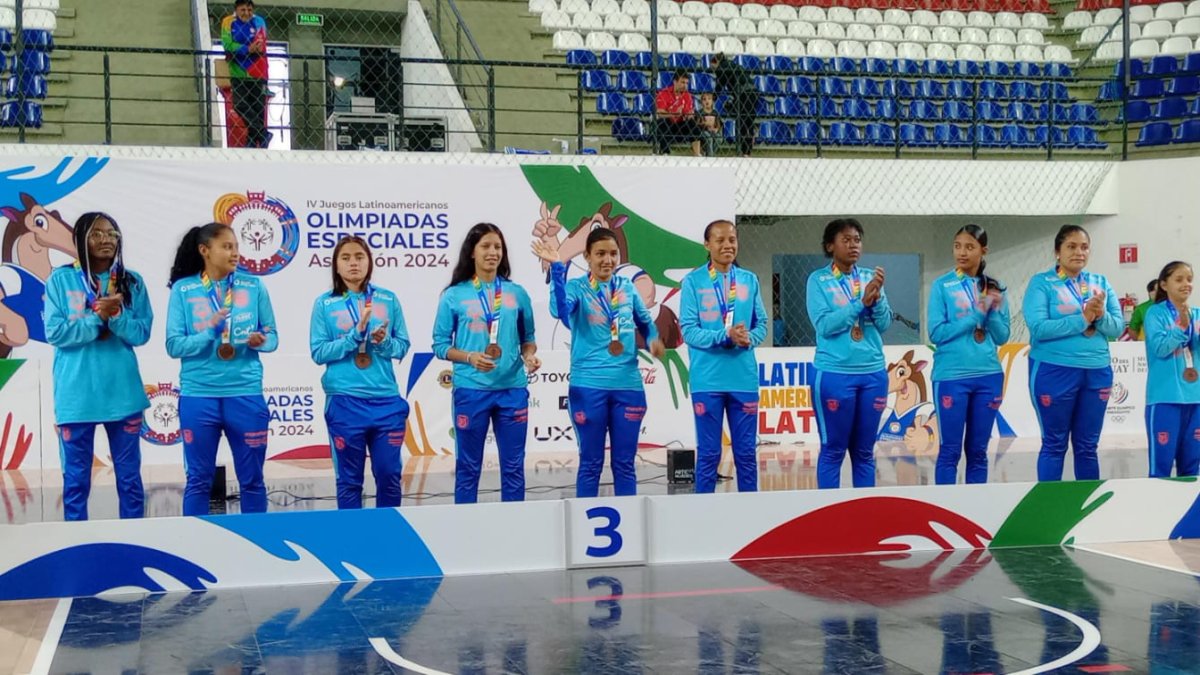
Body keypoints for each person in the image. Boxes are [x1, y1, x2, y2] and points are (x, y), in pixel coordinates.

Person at [532, 228, 665, 498]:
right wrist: (558, 269)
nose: (608, 259)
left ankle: (629, 527)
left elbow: (646, 323)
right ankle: (586, 528)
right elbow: (558, 309)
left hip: (628, 387)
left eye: (613, 254)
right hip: (588, 387)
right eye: (600, 254)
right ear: (587, 256)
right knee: (591, 464)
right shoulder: (577, 288)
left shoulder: (627, 287)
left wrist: (653, 339)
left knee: (625, 465)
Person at [43, 213, 152, 521]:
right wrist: (96, 318)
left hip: (123, 395)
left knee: (130, 480)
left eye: (112, 234)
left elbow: (141, 333)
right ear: (80, 239)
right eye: (97, 234)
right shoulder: (61, 280)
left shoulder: (132, 282)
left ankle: (135, 540)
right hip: (76, 397)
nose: (107, 240)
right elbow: (56, 333)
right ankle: (76, 544)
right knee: (76, 481)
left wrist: (116, 316)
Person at [166, 222, 277, 516]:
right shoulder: (184, 289)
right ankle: (194, 551)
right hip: (199, 395)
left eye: (237, 246)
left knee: (252, 480)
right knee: (199, 480)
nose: (235, 253)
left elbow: (273, 336)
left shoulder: (253, 286)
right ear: (205, 251)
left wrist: (260, 341)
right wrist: (209, 332)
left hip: (245, 393)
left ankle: (260, 547)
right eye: (227, 247)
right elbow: (174, 346)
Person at [432, 223, 539, 504]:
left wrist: (528, 356)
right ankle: (465, 530)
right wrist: (469, 357)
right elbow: (440, 345)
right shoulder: (454, 295)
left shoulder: (517, 293)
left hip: (512, 389)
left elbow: (528, 338)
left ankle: (514, 529)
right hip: (471, 389)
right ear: (472, 253)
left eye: (497, 247)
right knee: (468, 468)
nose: (493, 253)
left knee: (514, 467)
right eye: (486, 247)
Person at [310, 236, 411, 509]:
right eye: (346, 258)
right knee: (349, 480)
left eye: (359, 257)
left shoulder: (387, 298)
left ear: (369, 262)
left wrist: (384, 341)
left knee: (390, 474)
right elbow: (318, 352)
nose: (353, 263)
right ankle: (351, 544)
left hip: (386, 401)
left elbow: (403, 346)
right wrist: (354, 337)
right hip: (345, 401)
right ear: (336, 265)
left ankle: (389, 537)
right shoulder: (325, 304)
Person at [1021, 225, 1123, 482]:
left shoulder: (1100, 283)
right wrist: (1082, 319)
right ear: (1057, 252)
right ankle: (1048, 510)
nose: (1079, 252)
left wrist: (1099, 316)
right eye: (1071, 246)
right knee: (1055, 444)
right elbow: (1039, 328)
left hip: (1097, 371)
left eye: (1084, 247)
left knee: (1088, 447)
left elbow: (1117, 327)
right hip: (1054, 370)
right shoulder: (1042, 283)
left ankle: (1086, 512)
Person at [680, 220, 767, 492]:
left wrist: (748, 338)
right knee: (708, 455)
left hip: (743, 380)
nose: (727, 245)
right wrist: (724, 335)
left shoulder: (748, 280)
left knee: (746, 455)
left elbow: (762, 324)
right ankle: (704, 516)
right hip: (708, 382)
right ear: (707, 245)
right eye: (720, 240)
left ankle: (750, 517)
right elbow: (689, 331)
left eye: (732, 239)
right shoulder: (693, 282)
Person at [805, 219, 891, 489]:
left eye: (857, 239)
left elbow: (885, 323)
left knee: (865, 453)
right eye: (846, 240)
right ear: (830, 246)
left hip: (873, 374)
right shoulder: (818, 280)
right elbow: (825, 326)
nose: (853, 245)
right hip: (834, 374)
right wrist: (859, 303)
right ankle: (829, 520)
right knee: (833, 450)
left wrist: (875, 303)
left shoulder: (868, 277)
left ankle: (864, 519)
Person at [927, 225, 1011, 485]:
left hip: (988, 376)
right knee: (949, 451)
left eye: (970, 247)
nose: (962, 252)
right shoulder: (942, 285)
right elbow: (936, 333)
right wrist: (975, 314)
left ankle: (975, 509)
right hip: (952, 376)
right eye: (957, 246)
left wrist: (992, 311)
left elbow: (1002, 336)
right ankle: (945, 507)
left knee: (978, 452)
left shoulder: (995, 286)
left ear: (983, 251)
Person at [1142, 261, 1200, 478]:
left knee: (1192, 468)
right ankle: (1156, 511)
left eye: (1189, 279)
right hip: (1165, 399)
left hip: (1195, 400)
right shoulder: (1155, 314)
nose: (1186, 284)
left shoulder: (1198, 314)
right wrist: (1181, 327)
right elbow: (1160, 348)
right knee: (1161, 468)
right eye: (1179, 279)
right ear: (1164, 285)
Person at [221, 0, 270, 148]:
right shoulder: (227, 22)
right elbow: (227, 45)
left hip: (259, 71)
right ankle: (263, 134)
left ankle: (254, 142)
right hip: (237, 71)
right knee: (240, 105)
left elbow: (261, 44)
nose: (246, 13)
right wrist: (247, 49)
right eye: (243, 10)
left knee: (258, 109)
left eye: (249, 10)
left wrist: (242, 49)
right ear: (236, 10)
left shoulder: (259, 21)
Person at [711, 53, 758, 157]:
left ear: (716, 62)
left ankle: (742, 150)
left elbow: (719, 85)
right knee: (748, 121)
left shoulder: (722, 68)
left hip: (744, 94)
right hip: (752, 93)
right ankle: (747, 151)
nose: (713, 70)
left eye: (713, 66)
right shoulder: (734, 65)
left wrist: (713, 98)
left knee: (741, 122)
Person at [653, 71, 701, 156]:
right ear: (675, 82)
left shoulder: (687, 95)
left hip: (680, 124)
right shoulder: (664, 93)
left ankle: (697, 153)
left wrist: (689, 115)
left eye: (687, 83)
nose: (685, 85)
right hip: (669, 124)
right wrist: (674, 113)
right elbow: (660, 113)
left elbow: (688, 113)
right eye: (682, 82)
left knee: (692, 123)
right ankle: (665, 153)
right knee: (662, 122)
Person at [696, 92, 722, 157]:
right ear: (701, 102)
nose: (707, 101)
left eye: (709, 99)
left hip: (713, 131)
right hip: (703, 131)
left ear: (712, 101)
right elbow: (697, 124)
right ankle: (710, 156)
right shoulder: (700, 112)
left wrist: (716, 129)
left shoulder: (715, 112)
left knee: (719, 139)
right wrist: (704, 124)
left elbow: (718, 123)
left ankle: (709, 153)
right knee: (709, 137)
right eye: (704, 99)